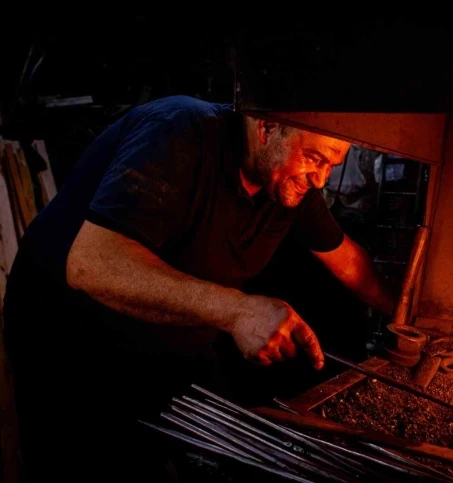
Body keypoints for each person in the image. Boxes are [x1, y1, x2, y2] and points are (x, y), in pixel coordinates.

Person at [2, 95, 394, 481]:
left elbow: (348, 260)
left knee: (216, 456)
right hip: (74, 342)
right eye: (314, 158)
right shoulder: (179, 132)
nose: (321, 178)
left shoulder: (290, 183)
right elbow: (92, 264)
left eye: (332, 164)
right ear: (268, 128)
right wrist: (239, 311)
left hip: (171, 337)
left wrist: (405, 317)